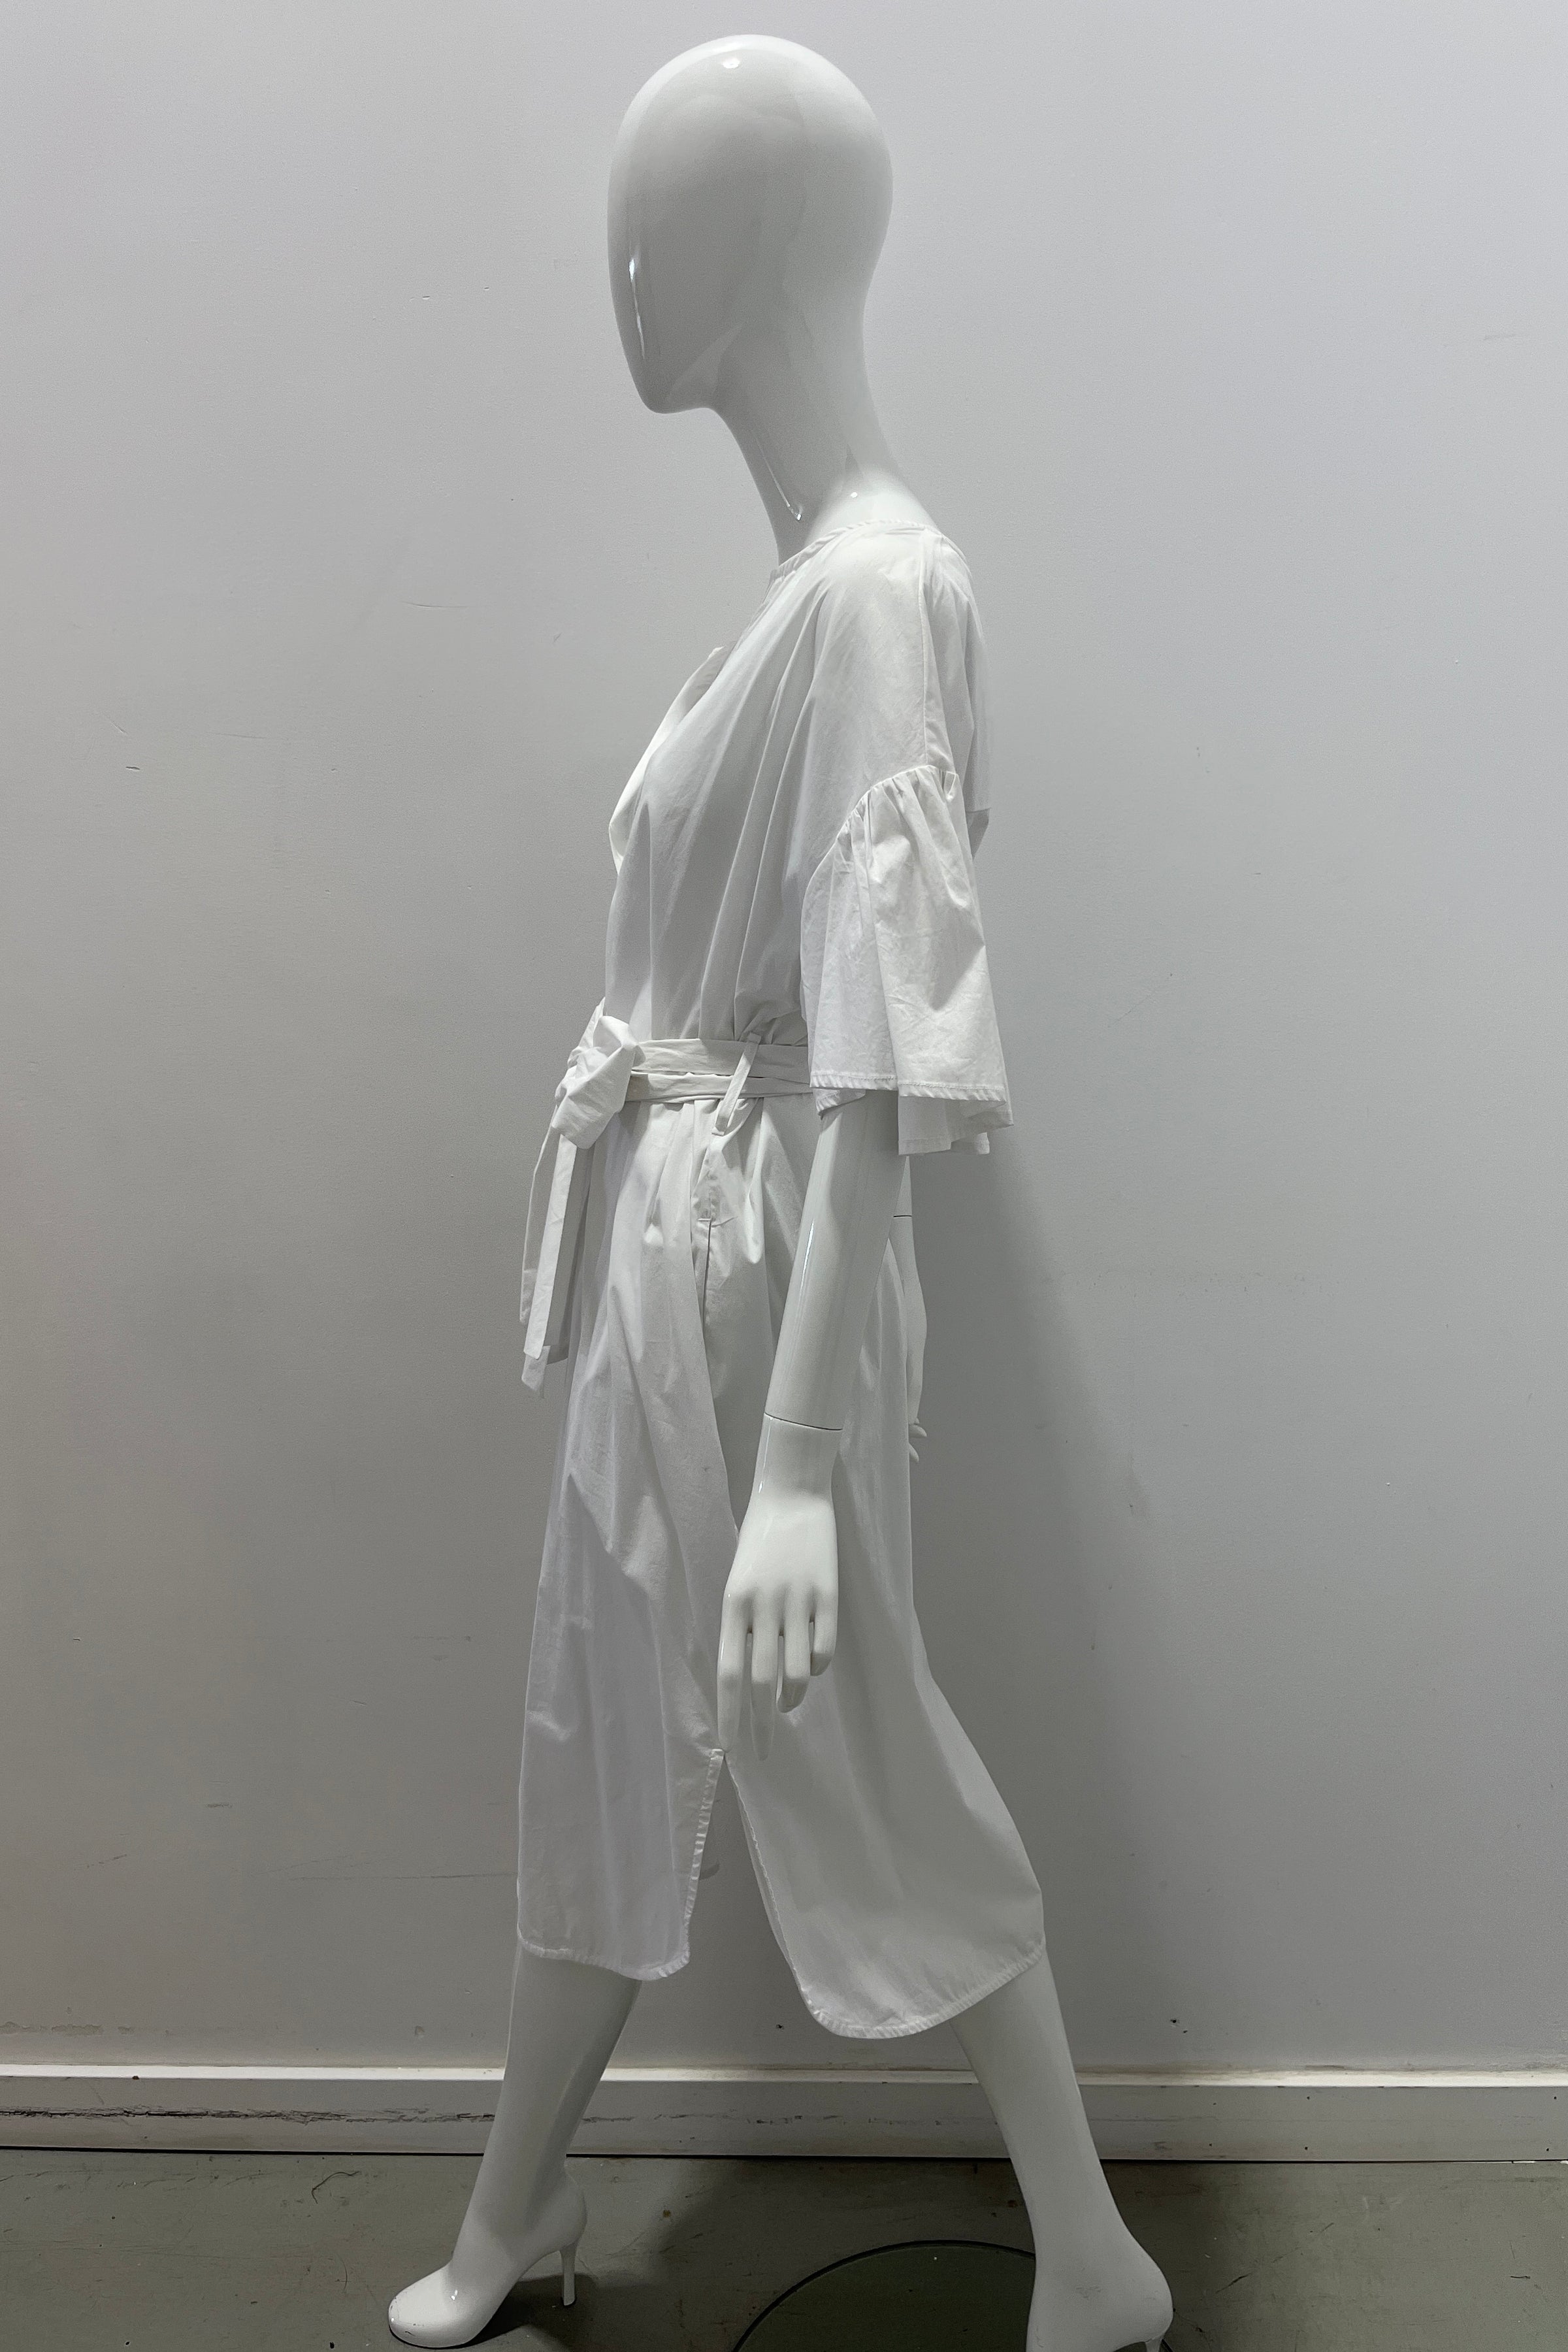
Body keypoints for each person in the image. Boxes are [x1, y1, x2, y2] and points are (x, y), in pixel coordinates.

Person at [390, 38, 1173, 2352]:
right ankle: (513, 2216)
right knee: (598, 1719)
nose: (620, 271)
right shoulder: (809, 588)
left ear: (755, 249)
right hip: (677, 1249)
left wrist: (806, 1467)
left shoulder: (875, 595)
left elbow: (872, 1068)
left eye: (655, 220)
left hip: (756, 1275)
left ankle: (1094, 2256)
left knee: (858, 1738)